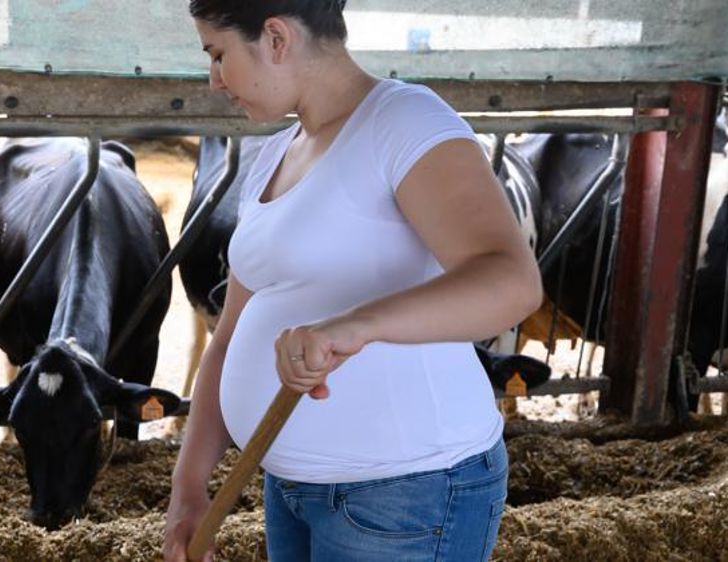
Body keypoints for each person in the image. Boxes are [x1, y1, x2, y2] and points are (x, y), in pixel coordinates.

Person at [163, 2, 542, 561]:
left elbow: (511, 280)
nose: (215, 80)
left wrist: (357, 325)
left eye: (218, 55)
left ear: (275, 38)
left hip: (406, 492)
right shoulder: (273, 155)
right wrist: (189, 486)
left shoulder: (404, 122)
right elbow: (230, 333)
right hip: (289, 485)